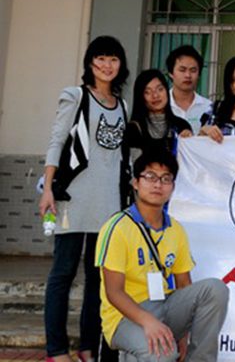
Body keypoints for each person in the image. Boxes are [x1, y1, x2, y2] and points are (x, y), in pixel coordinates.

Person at [39, 35, 131, 362]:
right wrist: (47, 188)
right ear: (90, 63)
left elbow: (119, 158)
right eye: (100, 58)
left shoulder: (123, 105)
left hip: (108, 205)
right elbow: (56, 141)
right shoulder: (75, 96)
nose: (107, 65)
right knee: (62, 273)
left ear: (121, 65)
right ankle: (56, 349)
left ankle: (88, 347)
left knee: (98, 279)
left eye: (113, 59)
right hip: (73, 200)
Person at [96, 149, 229, 362]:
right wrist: (147, 321)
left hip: (165, 305)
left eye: (166, 179)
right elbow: (114, 292)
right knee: (162, 353)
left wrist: (183, 334)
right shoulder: (117, 227)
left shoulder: (176, 229)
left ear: (173, 187)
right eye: (150, 177)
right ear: (136, 183)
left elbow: (184, 283)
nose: (158, 184)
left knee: (215, 289)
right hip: (124, 316)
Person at [125, 69, 192, 159]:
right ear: (140, 97)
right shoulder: (133, 130)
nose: (155, 95)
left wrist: (188, 140)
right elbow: (134, 163)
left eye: (160, 89)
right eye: (148, 92)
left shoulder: (182, 126)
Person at [166, 46, 210, 135]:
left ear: (199, 74)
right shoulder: (160, 105)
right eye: (182, 70)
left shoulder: (208, 108)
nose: (188, 75)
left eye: (193, 70)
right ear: (171, 73)